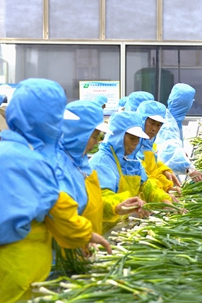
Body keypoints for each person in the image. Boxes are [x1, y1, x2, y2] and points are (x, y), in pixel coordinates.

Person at [0, 79, 104, 303]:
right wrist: (85, 234)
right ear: (46, 122)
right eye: (56, 120)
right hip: (17, 262)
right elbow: (58, 207)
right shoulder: (30, 160)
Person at [56, 100, 140, 236]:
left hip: (85, 243)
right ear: (77, 134)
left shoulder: (80, 163)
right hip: (70, 246)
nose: (96, 142)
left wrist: (115, 207)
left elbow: (93, 204)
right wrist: (83, 236)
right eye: (94, 136)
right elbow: (62, 216)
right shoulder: (60, 167)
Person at [90, 112, 172, 232]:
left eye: (138, 139)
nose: (135, 143)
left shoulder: (133, 160)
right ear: (118, 136)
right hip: (102, 230)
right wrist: (120, 204)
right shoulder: (101, 162)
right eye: (132, 138)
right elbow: (101, 198)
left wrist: (163, 200)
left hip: (120, 226)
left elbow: (146, 185)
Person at [156, 86, 202, 183]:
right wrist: (190, 170)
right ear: (187, 103)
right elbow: (170, 151)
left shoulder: (173, 119)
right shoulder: (168, 124)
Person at [137, 100, 182, 196]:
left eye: (158, 125)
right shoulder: (134, 149)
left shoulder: (148, 144)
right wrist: (162, 193)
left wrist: (164, 171)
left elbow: (153, 167)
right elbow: (144, 179)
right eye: (152, 123)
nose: (154, 129)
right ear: (142, 120)